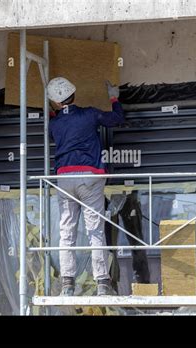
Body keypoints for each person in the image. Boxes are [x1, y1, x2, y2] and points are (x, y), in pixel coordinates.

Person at [47, 77, 124, 296]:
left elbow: (57, 129)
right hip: (90, 178)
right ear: (74, 94)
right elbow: (117, 118)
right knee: (95, 231)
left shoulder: (54, 123)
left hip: (64, 180)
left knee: (67, 232)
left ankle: (67, 284)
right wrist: (113, 97)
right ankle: (102, 282)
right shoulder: (90, 114)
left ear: (56, 102)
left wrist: (54, 111)